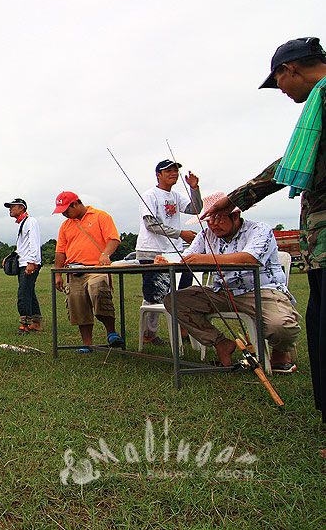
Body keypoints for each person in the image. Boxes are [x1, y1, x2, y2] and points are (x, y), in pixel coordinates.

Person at [203, 37, 326, 423]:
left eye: (280, 83)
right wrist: (234, 197)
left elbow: (251, 258)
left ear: (288, 70)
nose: (284, 93)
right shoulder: (317, 110)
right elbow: (285, 165)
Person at [164, 193, 302, 371]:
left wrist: (204, 259)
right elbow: (188, 257)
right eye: (208, 219)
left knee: (282, 327)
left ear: (235, 215)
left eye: (218, 218)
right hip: (221, 292)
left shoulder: (259, 230)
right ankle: (220, 342)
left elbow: (251, 258)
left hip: (260, 291)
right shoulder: (207, 234)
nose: (213, 224)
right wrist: (169, 261)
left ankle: (280, 350)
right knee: (174, 300)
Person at [135, 160, 202, 346]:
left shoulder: (176, 196)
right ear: (158, 174)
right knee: (155, 293)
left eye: (175, 171)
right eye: (169, 171)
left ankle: (183, 331)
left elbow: (194, 210)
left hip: (174, 251)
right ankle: (149, 334)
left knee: (182, 290)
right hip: (151, 251)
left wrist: (195, 189)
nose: (173, 173)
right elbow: (151, 224)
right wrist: (181, 233)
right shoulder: (150, 195)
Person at [52, 191, 123, 352]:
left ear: (76, 204)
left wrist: (105, 254)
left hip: (96, 268)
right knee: (78, 306)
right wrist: (58, 274)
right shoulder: (65, 226)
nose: (64, 214)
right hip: (74, 271)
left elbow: (113, 238)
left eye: (66, 210)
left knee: (99, 291)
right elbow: (60, 251)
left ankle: (111, 334)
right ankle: (87, 344)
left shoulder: (101, 216)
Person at [4, 198, 43, 334]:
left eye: (12, 206)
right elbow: (24, 246)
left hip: (29, 264)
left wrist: (31, 262)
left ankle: (25, 325)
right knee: (29, 292)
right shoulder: (23, 223)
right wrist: (11, 256)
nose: (10, 209)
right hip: (25, 262)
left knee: (23, 294)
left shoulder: (30, 221)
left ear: (21, 208)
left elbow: (34, 242)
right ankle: (37, 323)